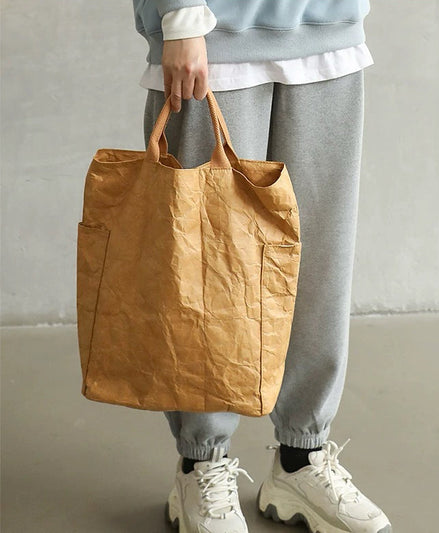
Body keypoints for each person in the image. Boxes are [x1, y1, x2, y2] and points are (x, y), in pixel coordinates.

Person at [132, 1, 392, 532]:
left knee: (318, 264)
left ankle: (302, 456)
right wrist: (180, 17)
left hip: (329, 26)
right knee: (207, 271)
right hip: (213, 32)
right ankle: (201, 463)